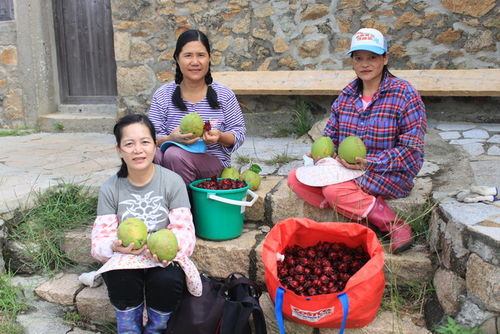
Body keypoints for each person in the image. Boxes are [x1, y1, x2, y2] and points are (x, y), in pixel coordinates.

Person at [288, 28, 427, 254]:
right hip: (348, 170)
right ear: (352, 61)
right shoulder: (346, 95)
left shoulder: (404, 94)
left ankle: (394, 224)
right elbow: (331, 136)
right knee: (295, 178)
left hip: (386, 172)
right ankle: (361, 215)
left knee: (333, 191)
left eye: (372, 57)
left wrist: (368, 162)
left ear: (385, 58)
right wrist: (322, 153)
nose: (365, 64)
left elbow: (412, 152)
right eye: (358, 58)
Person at [90, 114, 201, 333]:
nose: (138, 150)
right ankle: (129, 329)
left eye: (145, 142)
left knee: (167, 279)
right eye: (129, 144)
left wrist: (163, 248)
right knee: (121, 277)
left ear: (155, 145)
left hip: (162, 258)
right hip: (126, 257)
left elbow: (185, 234)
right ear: (119, 150)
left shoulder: (172, 181)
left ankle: (155, 329)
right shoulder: (110, 188)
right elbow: (99, 242)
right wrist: (113, 246)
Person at [148, 29, 246, 185]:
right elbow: (149, 137)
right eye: (188, 55)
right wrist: (169, 139)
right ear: (177, 59)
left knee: (174, 155)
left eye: (201, 55)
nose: (195, 62)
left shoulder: (224, 94)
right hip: (169, 160)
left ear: (209, 58)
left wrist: (219, 137)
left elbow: (238, 133)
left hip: (211, 163)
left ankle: (184, 206)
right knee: (149, 154)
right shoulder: (163, 95)